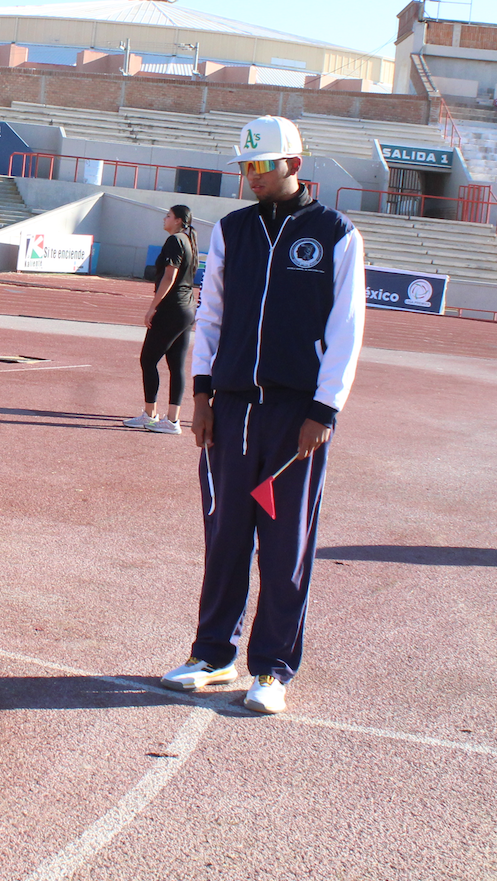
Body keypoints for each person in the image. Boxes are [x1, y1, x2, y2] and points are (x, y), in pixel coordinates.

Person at [159, 116, 365, 715]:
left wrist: (324, 409)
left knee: (284, 544)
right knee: (224, 536)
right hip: (231, 412)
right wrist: (200, 396)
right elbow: (212, 315)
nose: (250, 177)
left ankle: (272, 668)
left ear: (293, 166)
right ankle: (212, 653)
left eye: (261, 166)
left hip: (296, 414)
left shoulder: (335, 234)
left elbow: (346, 330)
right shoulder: (231, 231)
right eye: (244, 166)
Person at [123, 205, 199, 435]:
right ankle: (173, 420)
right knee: (176, 365)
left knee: (148, 359)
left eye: (168, 216)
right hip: (187, 309)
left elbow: (169, 276)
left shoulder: (175, 240)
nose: (164, 219)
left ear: (177, 220)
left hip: (171, 309)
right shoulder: (189, 241)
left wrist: (152, 307)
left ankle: (150, 414)